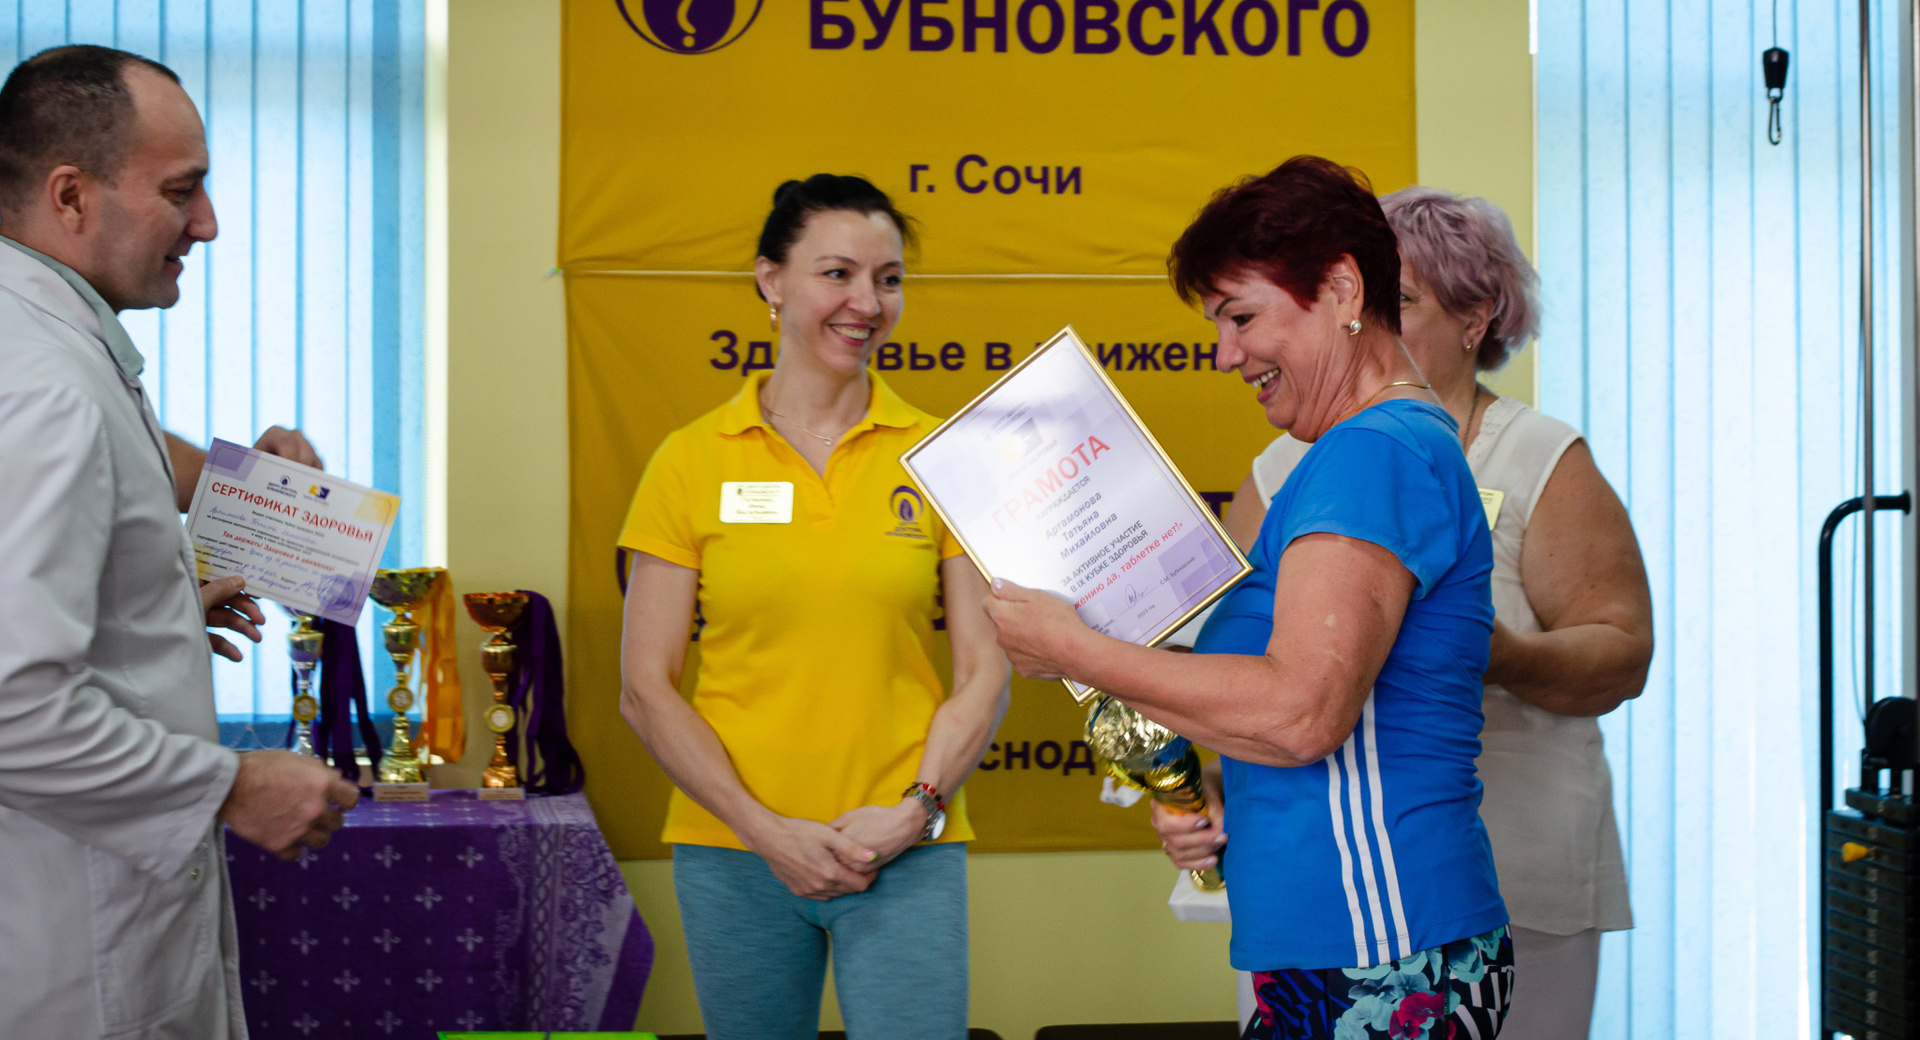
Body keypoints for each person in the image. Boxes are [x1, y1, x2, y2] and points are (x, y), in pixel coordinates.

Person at [986, 156, 1512, 1040]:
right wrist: (1217, 789)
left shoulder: (1373, 451)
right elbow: (1297, 715)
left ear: (1342, 289)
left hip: (1378, 942)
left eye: (1241, 316)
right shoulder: (1359, 450)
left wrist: (1074, 650)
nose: (1226, 354)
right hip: (1344, 938)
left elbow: (1303, 713)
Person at [1209, 186, 1650, 1040]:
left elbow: (1622, 653)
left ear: (1477, 317)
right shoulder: (1279, 467)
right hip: (1322, 889)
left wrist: (1494, 652)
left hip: (1512, 856)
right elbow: (1250, 673)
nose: (1374, 315)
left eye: (1401, 298)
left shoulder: (1538, 456)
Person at [0, 45, 364, 1039]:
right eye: (180, 191)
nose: (207, 223)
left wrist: (158, 603)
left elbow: (117, 465)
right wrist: (231, 784)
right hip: (71, 956)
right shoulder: (44, 384)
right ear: (70, 195)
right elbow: (11, 702)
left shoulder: (46, 345)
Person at [618, 174, 1011, 1040]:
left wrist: (915, 811)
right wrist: (765, 832)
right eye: (838, 274)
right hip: (735, 852)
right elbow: (645, 688)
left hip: (905, 846)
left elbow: (984, 673)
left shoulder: (942, 457)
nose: (866, 303)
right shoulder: (689, 461)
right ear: (771, 279)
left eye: (888, 279)